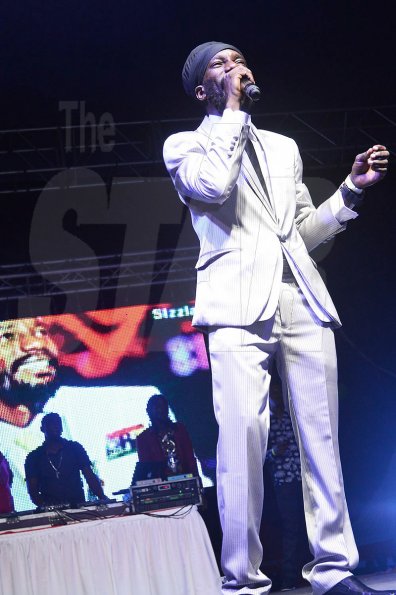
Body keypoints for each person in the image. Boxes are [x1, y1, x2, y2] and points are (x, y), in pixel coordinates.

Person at [163, 41, 391, 595]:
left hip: (301, 299)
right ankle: (241, 579)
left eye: (238, 59)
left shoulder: (285, 148)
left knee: (322, 438)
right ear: (202, 89)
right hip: (236, 305)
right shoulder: (184, 145)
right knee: (242, 440)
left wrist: (349, 194)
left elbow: (304, 235)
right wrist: (233, 114)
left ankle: (334, 570)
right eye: (220, 64)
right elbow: (214, 187)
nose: (234, 67)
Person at [265, 380, 307, 590]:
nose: (277, 394)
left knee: (311, 527)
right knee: (291, 529)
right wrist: (274, 452)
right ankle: (289, 579)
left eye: (279, 390)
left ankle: (313, 573)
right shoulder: (265, 420)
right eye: (273, 391)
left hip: (304, 478)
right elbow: (257, 458)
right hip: (284, 482)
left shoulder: (292, 415)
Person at [24, 412, 106, 507]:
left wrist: (102, 497)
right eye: (51, 423)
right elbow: (33, 491)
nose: (56, 426)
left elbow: (89, 476)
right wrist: (47, 508)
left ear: (62, 428)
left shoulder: (75, 448)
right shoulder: (33, 457)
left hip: (79, 507)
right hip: (51, 512)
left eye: (58, 424)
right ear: (42, 429)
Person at [136, 394, 199, 477]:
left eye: (163, 406)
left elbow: (190, 458)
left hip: (186, 478)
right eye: (157, 407)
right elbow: (147, 468)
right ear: (149, 411)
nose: (161, 410)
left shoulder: (180, 430)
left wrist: (196, 479)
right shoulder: (143, 439)